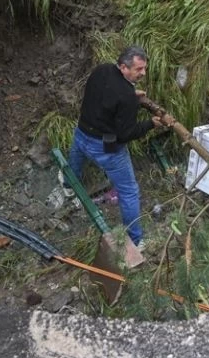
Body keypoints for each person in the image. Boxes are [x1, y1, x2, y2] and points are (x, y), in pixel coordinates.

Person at [69, 46, 169, 246]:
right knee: (129, 190)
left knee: (76, 160)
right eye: (139, 69)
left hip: (81, 133)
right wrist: (150, 124)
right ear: (123, 67)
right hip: (104, 146)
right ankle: (135, 240)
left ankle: (69, 188)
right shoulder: (125, 97)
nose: (143, 73)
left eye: (144, 69)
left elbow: (107, 94)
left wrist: (130, 93)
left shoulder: (102, 70)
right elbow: (125, 134)